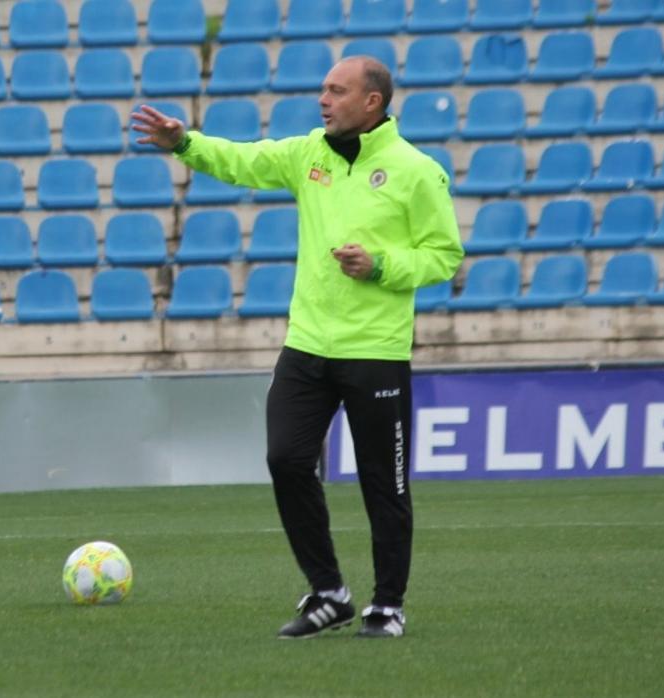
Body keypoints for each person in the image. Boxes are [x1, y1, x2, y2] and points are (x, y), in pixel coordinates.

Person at [131, 57, 463, 639]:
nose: (323, 99)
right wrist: (184, 144)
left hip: (375, 350)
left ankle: (388, 606)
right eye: (323, 89)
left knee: (384, 484)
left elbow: (444, 255)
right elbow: (244, 161)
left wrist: (381, 264)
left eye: (337, 90)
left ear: (372, 103)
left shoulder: (417, 171)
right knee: (285, 459)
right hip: (307, 345)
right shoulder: (308, 153)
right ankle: (328, 591)